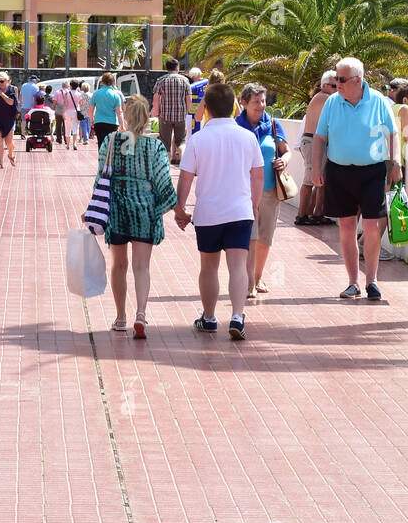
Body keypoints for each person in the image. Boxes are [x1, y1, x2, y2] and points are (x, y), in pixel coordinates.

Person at [174, 79, 263, 341]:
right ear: (235, 107)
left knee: (209, 267)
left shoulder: (198, 139)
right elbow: (258, 175)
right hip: (240, 212)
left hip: (208, 213)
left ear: (207, 108)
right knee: (238, 266)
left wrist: (180, 209)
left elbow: (186, 178)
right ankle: (237, 316)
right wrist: (254, 205)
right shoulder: (247, 137)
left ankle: (210, 317)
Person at [312, 57, 401, 303]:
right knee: (347, 227)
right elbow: (320, 137)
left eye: (341, 79)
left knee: (372, 227)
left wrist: (396, 162)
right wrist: (315, 168)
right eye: (335, 79)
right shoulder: (332, 103)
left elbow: (393, 133)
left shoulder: (379, 102)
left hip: (371, 171)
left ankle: (371, 281)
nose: (336, 83)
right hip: (339, 172)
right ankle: (353, 282)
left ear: (358, 80)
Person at [89, 94, 177, 338]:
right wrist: (174, 208)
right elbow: (163, 182)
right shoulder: (155, 146)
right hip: (145, 211)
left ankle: (120, 317)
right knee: (141, 266)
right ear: (147, 117)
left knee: (118, 265)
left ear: (125, 116)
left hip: (117, 209)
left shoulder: (110, 141)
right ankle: (140, 313)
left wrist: (92, 207)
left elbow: (101, 176)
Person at [234, 82, 291, 296]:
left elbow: (286, 151)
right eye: (256, 101)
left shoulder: (274, 125)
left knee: (265, 237)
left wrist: (284, 161)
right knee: (250, 236)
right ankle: (249, 281)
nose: (261, 105)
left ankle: (258, 277)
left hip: (269, 191)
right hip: (244, 190)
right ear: (244, 103)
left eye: (263, 101)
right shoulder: (236, 126)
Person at [295, 70, 338, 227]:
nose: (337, 88)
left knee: (321, 180)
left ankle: (317, 213)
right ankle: (301, 214)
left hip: (316, 142)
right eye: (334, 85)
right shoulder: (324, 98)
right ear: (324, 85)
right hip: (313, 142)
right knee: (309, 180)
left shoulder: (325, 98)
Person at [152, 56, 192, 166]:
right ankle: (183, 164)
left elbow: (156, 98)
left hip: (165, 116)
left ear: (167, 68)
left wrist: (157, 111)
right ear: (177, 67)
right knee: (181, 141)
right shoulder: (185, 80)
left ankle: (166, 167)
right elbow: (189, 99)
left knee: (165, 143)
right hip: (180, 116)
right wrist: (187, 111)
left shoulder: (161, 80)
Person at [0, 72, 20, 167]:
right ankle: (1, 162)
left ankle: (10, 154)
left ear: (7, 81)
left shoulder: (12, 90)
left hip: (9, 119)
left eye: (2, 81)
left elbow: (11, 102)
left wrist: (2, 95)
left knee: (9, 142)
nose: (0, 84)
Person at [90, 72, 126, 148]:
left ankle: (101, 159)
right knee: (111, 145)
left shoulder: (96, 94)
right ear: (113, 82)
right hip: (112, 123)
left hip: (99, 122)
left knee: (101, 144)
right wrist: (122, 125)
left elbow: (91, 109)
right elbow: (119, 112)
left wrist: (91, 120)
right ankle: (109, 159)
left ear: (102, 81)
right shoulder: (115, 95)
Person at [193, 68, 225, 133]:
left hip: (209, 131)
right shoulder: (232, 98)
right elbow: (238, 116)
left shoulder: (206, 98)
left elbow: (197, 118)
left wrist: (206, 94)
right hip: (226, 131)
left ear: (209, 83)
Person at [54, 80, 82, 151]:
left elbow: (65, 104)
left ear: (71, 86)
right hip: (75, 111)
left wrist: (63, 112)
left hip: (68, 112)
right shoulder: (79, 94)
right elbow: (80, 103)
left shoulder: (67, 93)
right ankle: (74, 143)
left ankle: (68, 145)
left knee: (67, 128)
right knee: (75, 127)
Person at [187, 66, 206, 138]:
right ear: (194, 76)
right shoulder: (190, 85)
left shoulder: (201, 85)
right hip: (190, 114)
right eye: (199, 76)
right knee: (190, 133)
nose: (201, 78)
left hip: (199, 112)